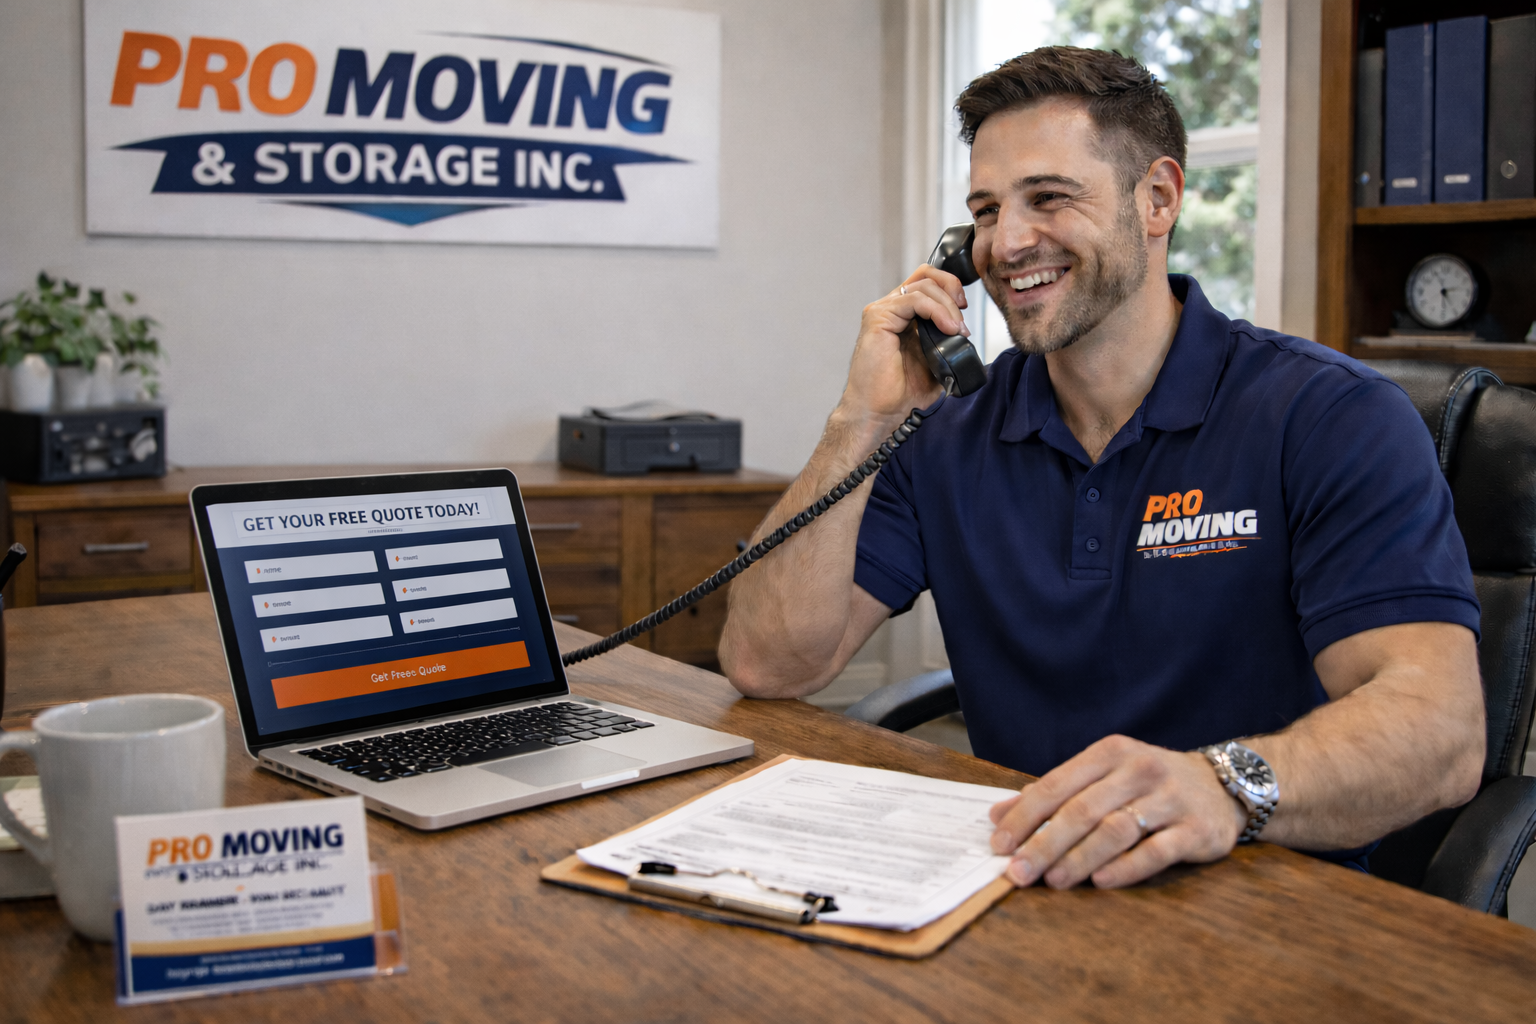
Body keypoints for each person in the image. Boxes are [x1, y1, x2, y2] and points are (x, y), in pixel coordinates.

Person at [718, 47, 1484, 890]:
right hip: (1026, 878)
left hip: (1267, 891)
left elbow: (1441, 733)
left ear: (1158, 199)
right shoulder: (941, 431)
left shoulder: (1329, 416)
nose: (1007, 244)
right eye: (985, 211)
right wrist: (858, 421)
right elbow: (768, 665)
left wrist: (1217, 787)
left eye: (1048, 198)